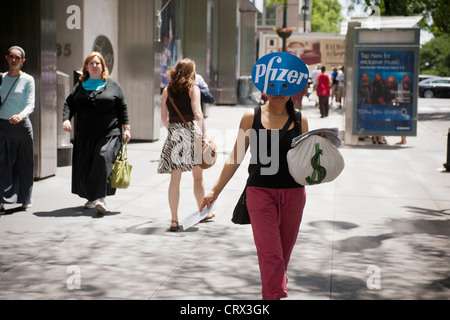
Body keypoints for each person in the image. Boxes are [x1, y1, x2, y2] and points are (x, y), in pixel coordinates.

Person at [200, 95, 309, 300]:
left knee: (282, 257)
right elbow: (236, 156)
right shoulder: (251, 116)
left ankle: (270, 296)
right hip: (260, 193)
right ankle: (275, 297)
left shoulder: (299, 120)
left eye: (284, 84)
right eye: (272, 83)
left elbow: (307, 159)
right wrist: (215, 190)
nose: (278, 89)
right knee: (271, 254)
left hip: (294, 194)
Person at [62, 52, 131, 214]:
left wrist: (126, 128)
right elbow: (69, 103)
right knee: (86, 166)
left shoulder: (113, 85)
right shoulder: (80, 86)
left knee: (102, 158)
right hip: (85, 134)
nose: (94, 66)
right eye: (91, 63)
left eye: (97, 63)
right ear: (86, 67)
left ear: (102, 67)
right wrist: (66, 119)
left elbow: (123, 107)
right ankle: (91, 197)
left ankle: (101, 198)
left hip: (109, 133)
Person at [158, 58, 213, 231]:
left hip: (175, 133)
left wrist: (173, 130)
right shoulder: (193, 89)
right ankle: (203, 212)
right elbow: (197, 113)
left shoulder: (167, 90)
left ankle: (174, 219)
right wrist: (204, 134)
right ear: (191, 73)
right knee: (198, 176)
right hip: (191, 133)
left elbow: (163, 117)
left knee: (175, 178)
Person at [0, 46, 35, 214]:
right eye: (11, 57)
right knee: (2, 164)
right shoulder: (1, 78)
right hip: (2, 126)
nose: (14, 60)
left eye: (17, 58)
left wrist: (21, 115)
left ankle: (25, 198)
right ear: (7, 58)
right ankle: (1, 200)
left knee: (24, 164)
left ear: (23, 61)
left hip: (21, 127)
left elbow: (31, 103)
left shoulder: (28, 80)